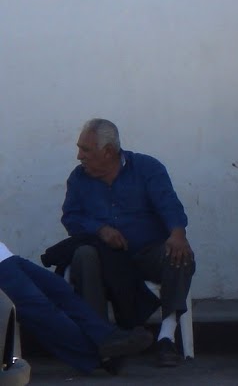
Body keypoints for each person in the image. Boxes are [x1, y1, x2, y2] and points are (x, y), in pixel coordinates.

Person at [61, 118, 195, 367]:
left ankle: (166, 336)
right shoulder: (79, 179)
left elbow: (169, 205)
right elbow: (71, 218)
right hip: (103, 257)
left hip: (146, 253)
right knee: (84, 255)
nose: (79, 156)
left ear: (108, 152)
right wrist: (99, 229)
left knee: (180, 254)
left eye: (86, 150)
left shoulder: (146, 168)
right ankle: (101, 337)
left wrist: (178, 234)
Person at [0, 241, 152, 374]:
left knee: (60, 289)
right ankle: (101, 355)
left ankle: (106, 337)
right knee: (39, 307)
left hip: (7, 257)